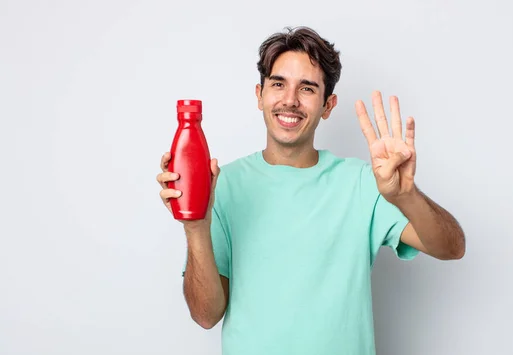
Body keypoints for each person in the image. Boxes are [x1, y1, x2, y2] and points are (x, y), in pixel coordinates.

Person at [156, 26, 465, 355]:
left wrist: (406, 195)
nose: (289, 100)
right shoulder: (224, 184)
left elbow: (451, 247)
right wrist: (195, 227)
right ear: (259, 95)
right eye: (278, 84)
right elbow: (205, 315)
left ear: (328, 105)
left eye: (307, 88)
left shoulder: (363, 183)